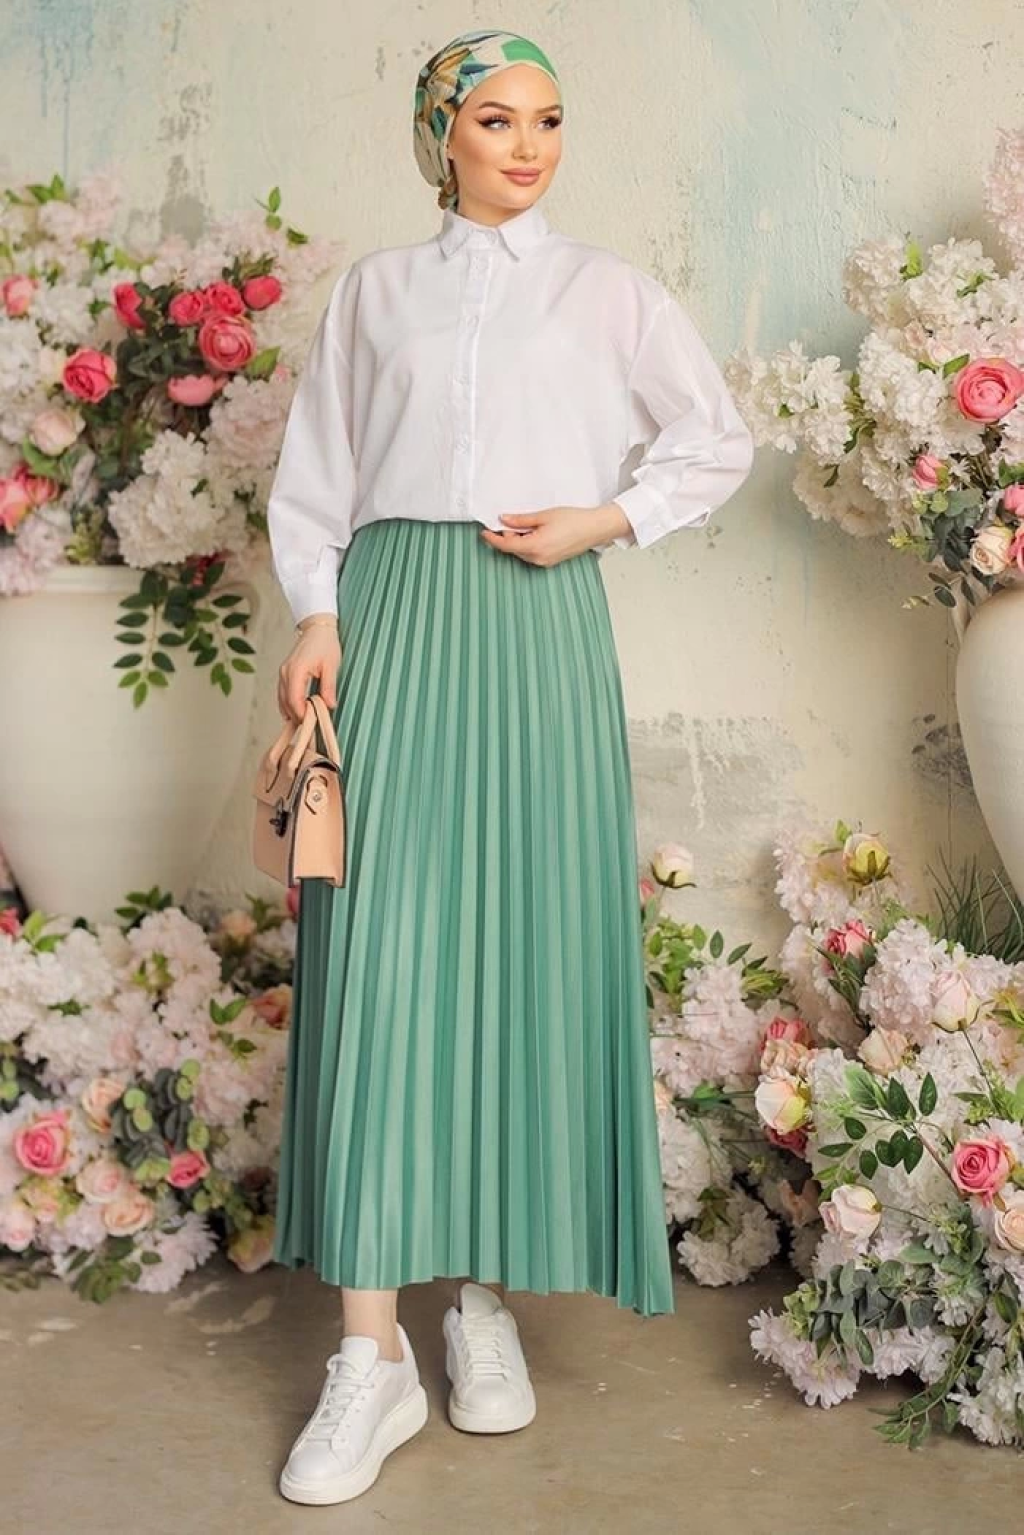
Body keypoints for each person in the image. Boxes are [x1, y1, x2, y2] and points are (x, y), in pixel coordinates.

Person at [265, 26, 755, 1508]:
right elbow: (318, 473)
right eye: (495, 119)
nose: (528, 145)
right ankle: (371, 1353)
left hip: (541, 632)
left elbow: (714, 441)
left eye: (548, 118)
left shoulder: (610, 291)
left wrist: (603, 520)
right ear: (442, 137)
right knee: (383, 954)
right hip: (398, 621)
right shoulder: (374, 293)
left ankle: (479, 1303)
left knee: (517, 953)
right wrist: (317, 614)